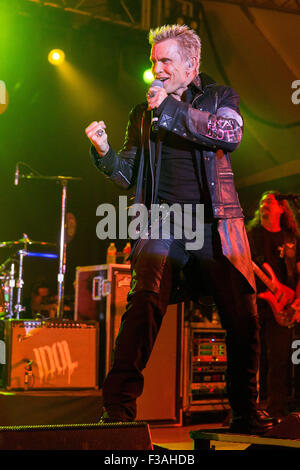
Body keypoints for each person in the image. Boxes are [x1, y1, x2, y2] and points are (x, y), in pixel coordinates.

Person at [85, 24, 276, 433]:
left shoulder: (220, 97)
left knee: (243, 312)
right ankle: (117, 410)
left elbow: (231, 134)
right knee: (143, 303)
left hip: (216, 223)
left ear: (191, 66)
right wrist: (103, 152)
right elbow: (129, 173)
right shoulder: (143, 112)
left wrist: (170, 110)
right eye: (154, 60)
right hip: (162, 221)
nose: (156, 68)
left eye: (165, 60)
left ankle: (244, 410)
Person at [247, 191, 300, 420]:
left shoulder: (292, 237)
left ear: (282, 207)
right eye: (261, 202)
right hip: (254, 302)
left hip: (284, 305)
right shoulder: (251, 235)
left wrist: (297, 301)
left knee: (279, 359)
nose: (264, 205)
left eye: (269, 201)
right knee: (251, 357)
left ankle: (277, 411)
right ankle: (247, 410)